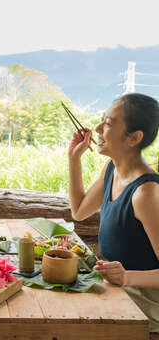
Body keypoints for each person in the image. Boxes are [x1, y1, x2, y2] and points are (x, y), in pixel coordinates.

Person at [68, 93, 159, 332]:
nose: (97, 128)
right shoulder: (111, 168)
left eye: (108, 123)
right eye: (101, 120)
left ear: (134, 138)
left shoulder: (146, 193)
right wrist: (73, 158)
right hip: (118, 289)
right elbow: (78, 211)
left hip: (146, 300)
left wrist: (126, 277)